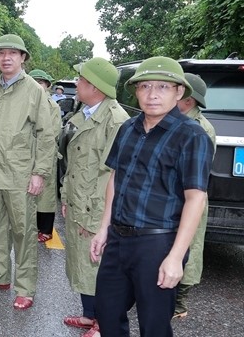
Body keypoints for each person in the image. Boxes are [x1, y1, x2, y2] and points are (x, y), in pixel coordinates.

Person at [90, 56, 214, 337]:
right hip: (119, 239)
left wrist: (175, 257)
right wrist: (103, 228)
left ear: (179, 92)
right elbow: (116, 177)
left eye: (162, 87)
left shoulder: (192, 136)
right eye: (145, 86)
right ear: (135, 91)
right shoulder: (128, 128)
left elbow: (196, 198)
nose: (152, 94)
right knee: (107, 312)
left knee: (154, 325)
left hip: (158, 243)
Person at [0, 34, 57, 310]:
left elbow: (46, 134)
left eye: (13, 53)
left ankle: (25, 288)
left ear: (22, 58)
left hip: (20, 175)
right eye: (1, 53)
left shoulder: (34, 91)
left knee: (24, 232)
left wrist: (39, 172)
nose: (6, 58)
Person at [60, 58, 129, 337]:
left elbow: (115, 175)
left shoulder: (116, 121)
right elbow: (74, 163)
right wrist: (66, 196)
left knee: (100, 266)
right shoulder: (86, 113)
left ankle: (104, 323)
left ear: (96, 88)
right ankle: (90, 316)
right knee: (82, 262)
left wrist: (103, 216)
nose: (77, 85)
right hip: (79, 200)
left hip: (98, 206)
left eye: (81, 81)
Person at [173, 72, 216, 319]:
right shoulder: (178, 121)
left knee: (189, 247)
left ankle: (180, 303)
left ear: (188, 100)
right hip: (175, 195)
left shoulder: (200, 129)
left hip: (189, 195)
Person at [29, 69, 61, 243]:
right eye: (35, 82)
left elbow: (52, 132)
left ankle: (46, 229)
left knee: (46, 195)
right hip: (26, 154)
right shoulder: (25, 102)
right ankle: (32, 226)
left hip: (45, 153)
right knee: (29, 193)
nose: (38, 86)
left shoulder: (52, 106)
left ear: (48, 86)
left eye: (41, 83)